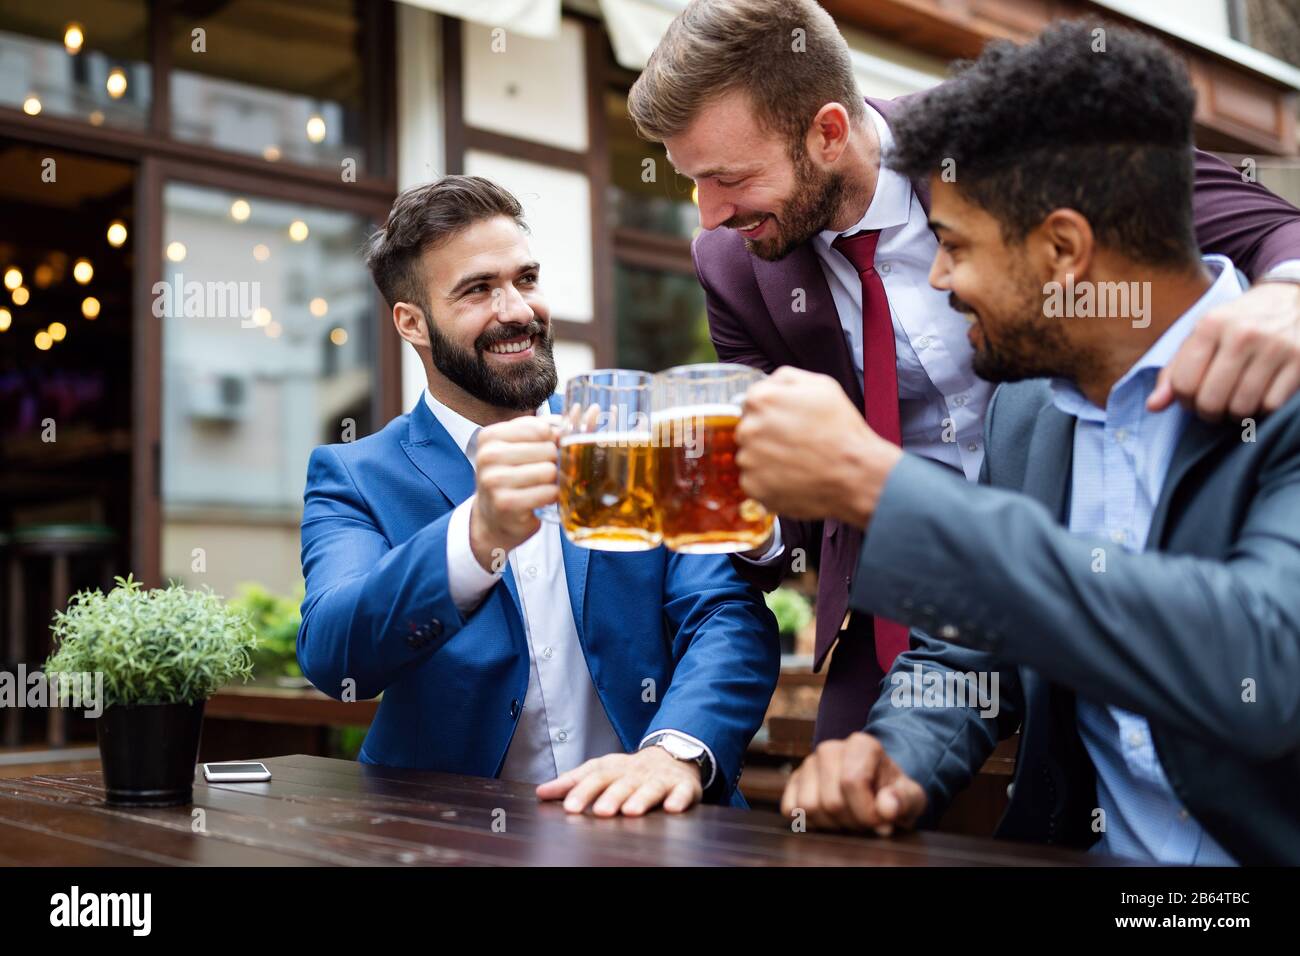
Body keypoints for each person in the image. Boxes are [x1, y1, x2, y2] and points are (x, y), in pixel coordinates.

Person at [628, 0, 1300, 745]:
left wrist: (1289, 297)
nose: (710, 215)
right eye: (694, 182)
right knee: (849, 803)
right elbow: (784, 502)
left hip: (1109, 557)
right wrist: (732, 505)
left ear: (827, 132)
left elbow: (1266, 225)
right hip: (901, 613)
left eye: (728, 178)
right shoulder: (730, 262)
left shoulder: (992, 137)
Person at [297, 176, 780, 815]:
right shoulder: (354, 475)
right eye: (478, 290)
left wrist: (676, 752)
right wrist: (475, 538)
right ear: (411, 321)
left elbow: (725, 612)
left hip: (660, 828)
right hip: (450, 839)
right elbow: (334, 653)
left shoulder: (633, 439)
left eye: (525, 279)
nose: (519, 310)